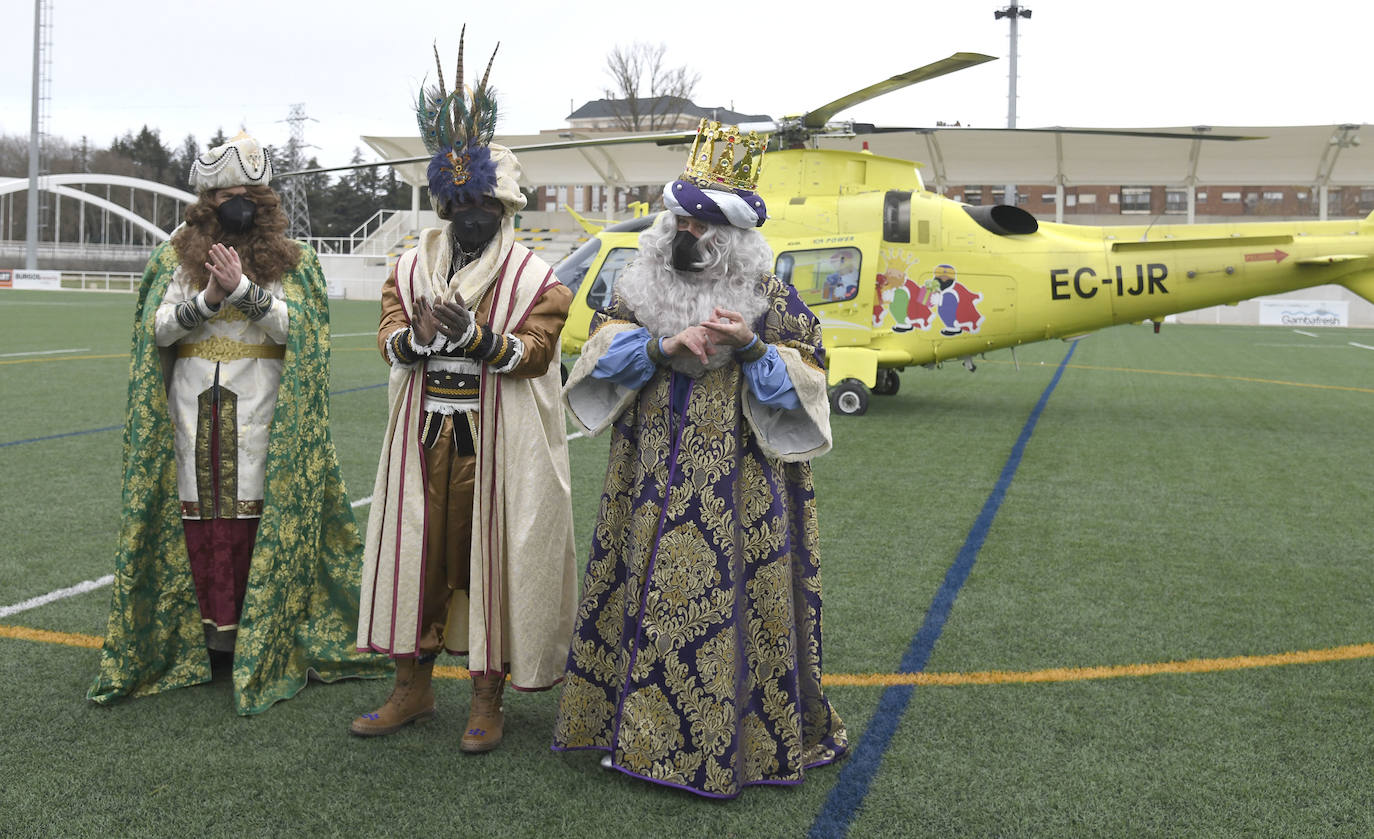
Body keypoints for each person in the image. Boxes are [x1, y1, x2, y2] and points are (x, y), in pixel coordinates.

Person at [551, 119, 848, 798]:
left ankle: (738, 746)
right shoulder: (638, 287)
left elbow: (808, 386)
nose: (685, 233)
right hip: (648, 477)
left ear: (733, 236)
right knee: (641, 594)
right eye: (680, 220)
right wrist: (661, 347)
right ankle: (633, 735)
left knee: (736, 612)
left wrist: (750, 346)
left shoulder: (773, 299)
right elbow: (597, 356)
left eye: (701, 224)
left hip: (742, 494)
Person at [88, 131, 386, 715]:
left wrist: (244, 291)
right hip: (191, 402)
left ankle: (258, 631)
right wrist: (205, 299)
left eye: (250, 196)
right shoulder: (174, 258)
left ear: (266, 202)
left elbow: (302, 330)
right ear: (208, 202)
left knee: (253, 509)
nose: (239, 205)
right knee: (200, 510)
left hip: (263, 403)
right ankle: (202, 639)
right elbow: (156, 331)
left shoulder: (294, 261)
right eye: (228, 196)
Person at [350, 32, 578, 753]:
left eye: (482, 202)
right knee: (416, 560)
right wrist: (419, 334)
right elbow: (388, 340)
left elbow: (537, 355)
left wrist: (478, 338)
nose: (469, 214)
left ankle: (486, 697)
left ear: (503, 207)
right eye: (458, 202)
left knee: (491, 562)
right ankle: (411, 688)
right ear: (443, 204)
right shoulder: (408, 269)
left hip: (497, 442)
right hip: (423, 437)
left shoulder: (538, 279)